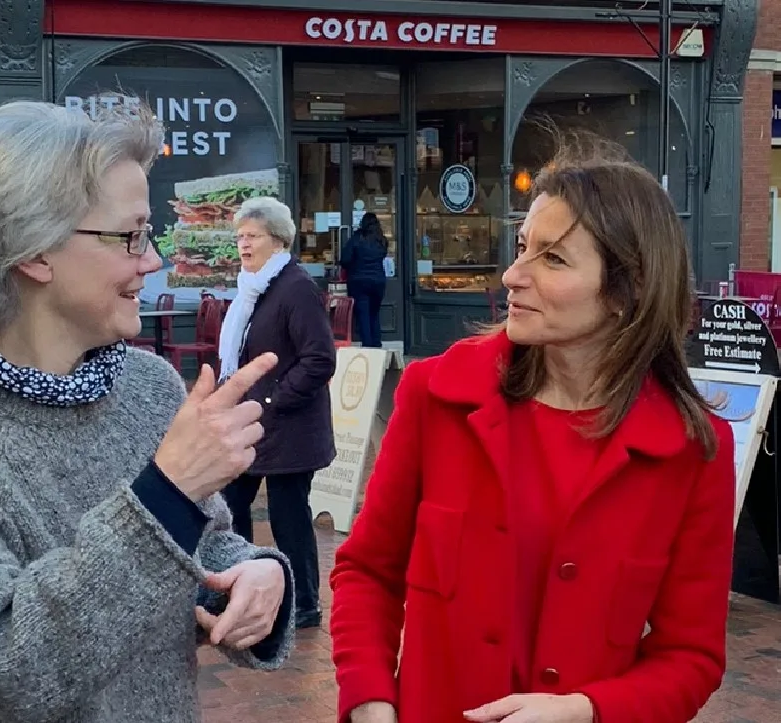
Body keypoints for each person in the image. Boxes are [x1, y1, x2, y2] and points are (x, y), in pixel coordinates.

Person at [0, 100, 296, 723]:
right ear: (33, 251)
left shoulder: (148, 387)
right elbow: (11, 667)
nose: (154, 259)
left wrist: (253, 577)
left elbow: (204, 545)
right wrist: (167, 491)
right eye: (130, 235)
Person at [329, 135, 735, 723]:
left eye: (554, 259)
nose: (513, 275)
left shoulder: (691, 450)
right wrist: (370, 698)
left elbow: (691, 656)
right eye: (523, 248)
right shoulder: (437, 398)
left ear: (629, 289)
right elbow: (368, 570)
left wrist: (589, 710)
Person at [217, 196, 336, 630]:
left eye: (251, 237)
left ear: (278, 240)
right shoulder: (254, 287)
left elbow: (319, 359)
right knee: (230, 504)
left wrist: (272, 401)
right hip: (253, 425)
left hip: (288, 428)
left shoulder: (295, 286)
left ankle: (304, 603)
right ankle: (242, 585)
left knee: (289, 517)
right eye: (239, 237)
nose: (242, 246)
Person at [340, 212, 388, 348]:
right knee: (374, 313)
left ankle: (368, 348)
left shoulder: (357, 238)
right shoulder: (382, 240)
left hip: (359, 281)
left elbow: (345, 259)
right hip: (378, 281)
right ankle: (377, 344)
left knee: (363, 315)